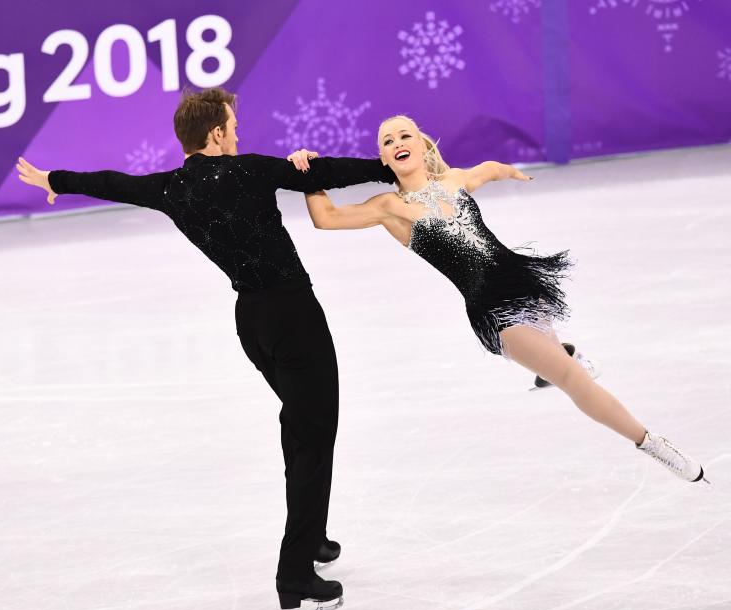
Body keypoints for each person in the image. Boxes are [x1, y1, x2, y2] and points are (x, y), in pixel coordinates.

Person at [16, 88, 397, 610]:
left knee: (302, 427)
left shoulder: (171, 189)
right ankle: (295, 577)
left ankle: (312, 538)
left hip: (253, 324)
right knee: (313, 434)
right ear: (216, 134)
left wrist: (56, 181)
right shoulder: (250, 171)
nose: (238, 130)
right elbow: (323, 173)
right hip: (293, 316)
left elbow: (112, 183)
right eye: (233, 123)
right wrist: (390, 168)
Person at [284, 115, 707, 483]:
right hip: (491, 306)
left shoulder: (451, 180)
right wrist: (309, 176)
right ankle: (649, 442)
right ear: (382, 159)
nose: (397, 144)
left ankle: (563, 354)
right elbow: (327, 218)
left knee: (554, 353)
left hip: (521, 279)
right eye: (388, 142)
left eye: (404, 136)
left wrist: (508, 171)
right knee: (572, 378)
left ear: (421, 143)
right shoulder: (389, 207)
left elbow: (483, 170)